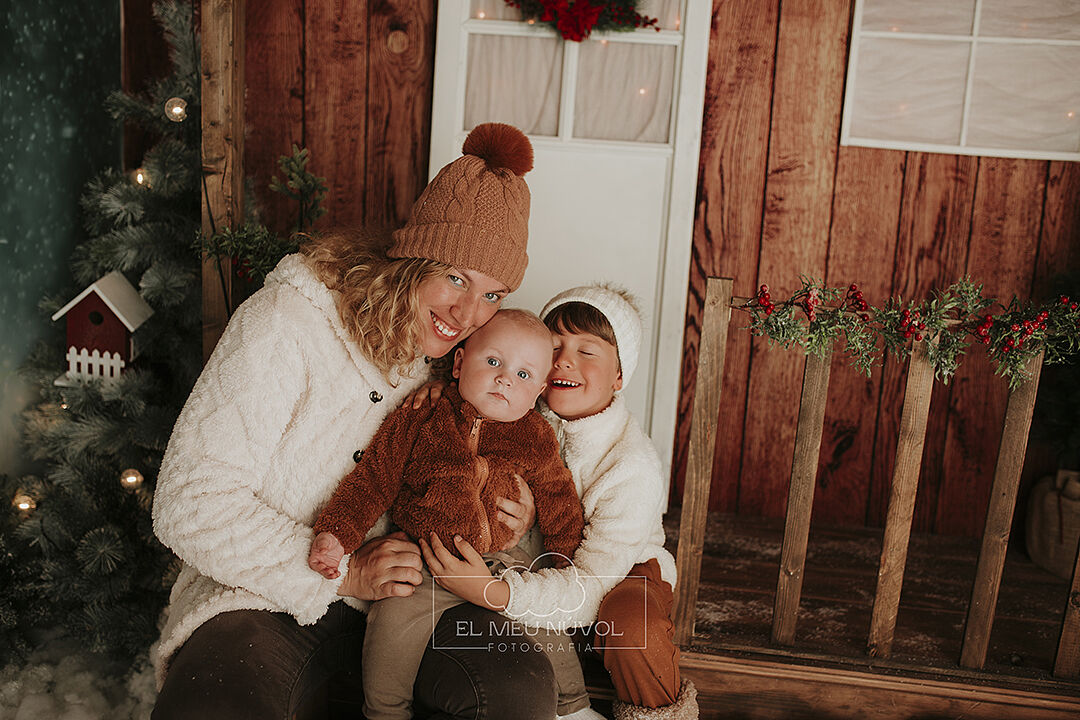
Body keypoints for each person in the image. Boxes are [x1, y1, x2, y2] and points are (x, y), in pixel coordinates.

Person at [149, 122, 559, 720]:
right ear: (414, 256)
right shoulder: (287, 321)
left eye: (493, 294)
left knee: (517, 691)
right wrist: (346, 571)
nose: (469, 313)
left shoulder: (467, 362)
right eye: (455, 277)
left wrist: (518, 517)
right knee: (214, 704)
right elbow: (188, 502)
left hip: (423, 594)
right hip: (262, 597)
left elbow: (515, 453)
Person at [421, 284, 700, 720]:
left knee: (632, 628)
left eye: (586, 351)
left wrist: (494, 592)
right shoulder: (519, 409)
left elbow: (591, 584)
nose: (564, 361)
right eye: (554, 347)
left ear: (619, 376)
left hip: (615, 572)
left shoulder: (632, 465)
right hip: (536, 559)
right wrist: (441, 395)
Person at [308, 308, 588, 720]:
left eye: (523, 375)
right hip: (422, 561)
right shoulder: (423, 415)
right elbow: (375, 477)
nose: (505, 379)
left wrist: (566, 563)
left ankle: (575, 708)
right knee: (388, 638)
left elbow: (560, 501)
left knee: (550, 629)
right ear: (459, 363)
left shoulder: (535, 436)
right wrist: (337, 534)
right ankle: (385, 713)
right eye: (493, 361)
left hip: (499, 565)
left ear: (539, 392)